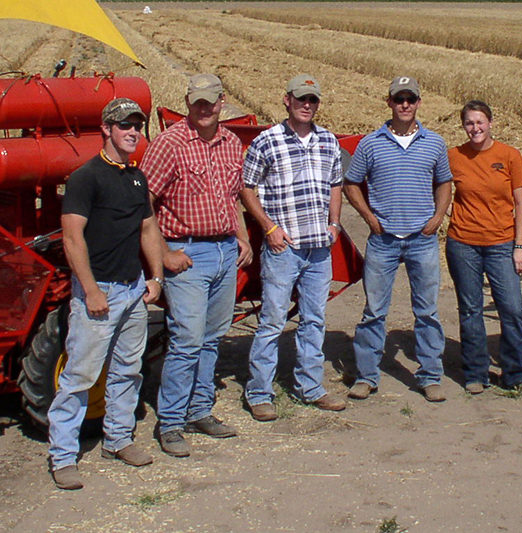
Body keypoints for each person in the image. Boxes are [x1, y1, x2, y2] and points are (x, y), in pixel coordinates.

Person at [48, 98, 163, 490]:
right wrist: (91, 290)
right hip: (99, 293)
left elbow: (148, 229)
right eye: (125, 125)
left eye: (138, 125)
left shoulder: (136, 177)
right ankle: (63, 456)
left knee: (128, 370)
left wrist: (156, 278)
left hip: (133, 290)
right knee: (80, 375)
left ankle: (118, 439)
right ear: (107, 129)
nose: (133, 132)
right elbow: (71, 237)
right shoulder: (86, 178)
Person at [142, 74, 253, 457]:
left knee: (211, 337)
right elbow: (145, 205)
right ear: (188, 103)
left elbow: (233, 196)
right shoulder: (169, 143)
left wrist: (242, 237)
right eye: (197, 103)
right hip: (186, 253)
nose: (204, 109)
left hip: (223, 251)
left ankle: (199, 410)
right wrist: (165, 255)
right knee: (187, 339)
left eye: (211, 102)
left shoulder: (230, 143)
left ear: (222, 102)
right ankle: (170, 422)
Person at [240, 74, 346, 419]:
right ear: (286, 100)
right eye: (301, 98)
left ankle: (310, 387)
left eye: (313, 100)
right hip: (284, 249)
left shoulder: (328, 141)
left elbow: (335, 185)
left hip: (319, 248)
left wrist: (334, 224)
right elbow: (246, 187)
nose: (307, 105)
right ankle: (259, 392)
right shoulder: (267, 141)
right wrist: (268, 227)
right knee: (272, 321)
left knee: (314, 320)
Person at [344, 76, 452, 402]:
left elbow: (444, 183)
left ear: (418, 103)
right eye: (399, 99)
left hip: (422, 238)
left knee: (427, 312)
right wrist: (368, 218)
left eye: (410, 99)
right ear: (389, 102)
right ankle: (366, 376)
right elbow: (351, 183)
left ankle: (430, 375)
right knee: (374, 311)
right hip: (383, 240)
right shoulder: (370, 143)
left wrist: (437, 217)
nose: (405, 105)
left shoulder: (434, 143)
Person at [446, 100, 522, 396]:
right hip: (463, 244)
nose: (475, 128)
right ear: (464, 126)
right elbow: (440, 190)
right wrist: (446, 212)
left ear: (490, 122)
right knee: (471, 309)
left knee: (511, 309)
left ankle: (515, 372)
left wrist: (520, 245)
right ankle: (475, 372)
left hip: (501, 244)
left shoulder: (509, 156)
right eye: (469, 123)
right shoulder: (453, 156)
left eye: (480, 122)